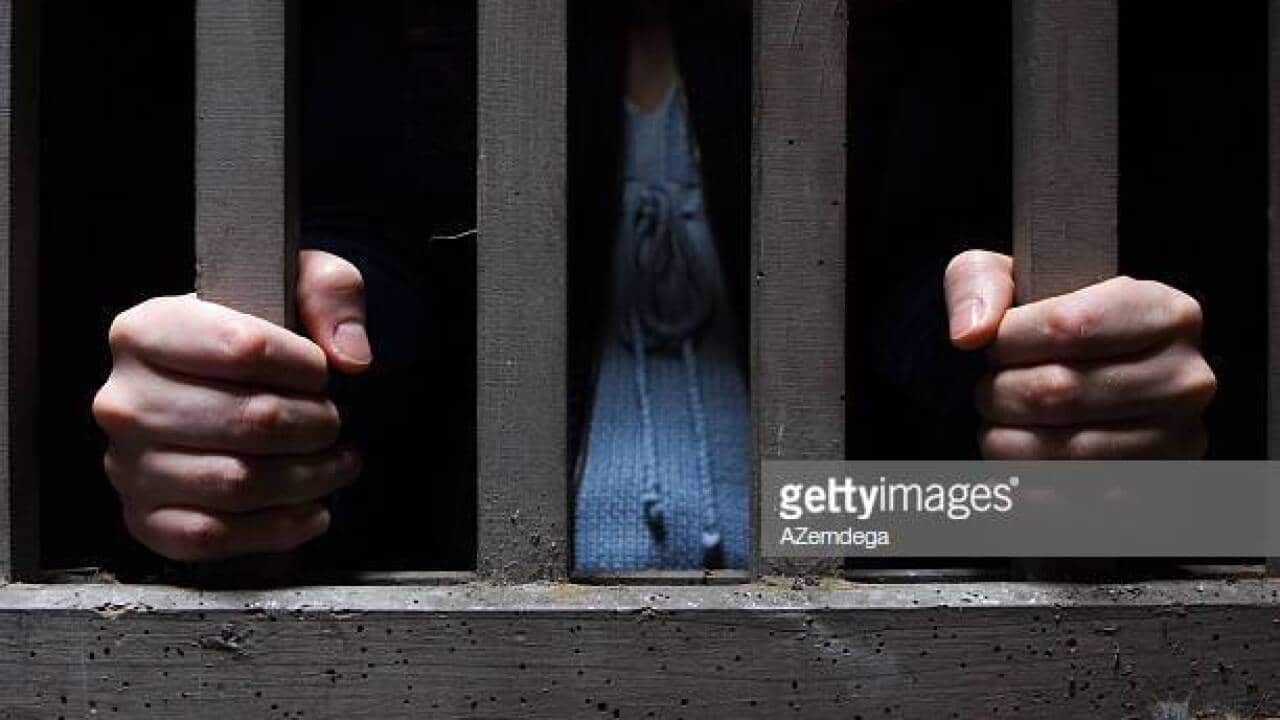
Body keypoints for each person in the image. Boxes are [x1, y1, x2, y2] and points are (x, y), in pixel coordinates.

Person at [91, 1, 1215, 564]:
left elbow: (1225, 520)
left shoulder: (1023, 51)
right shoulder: (303, 50)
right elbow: (79, 512)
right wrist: (186, 473)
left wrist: (1134, 493)